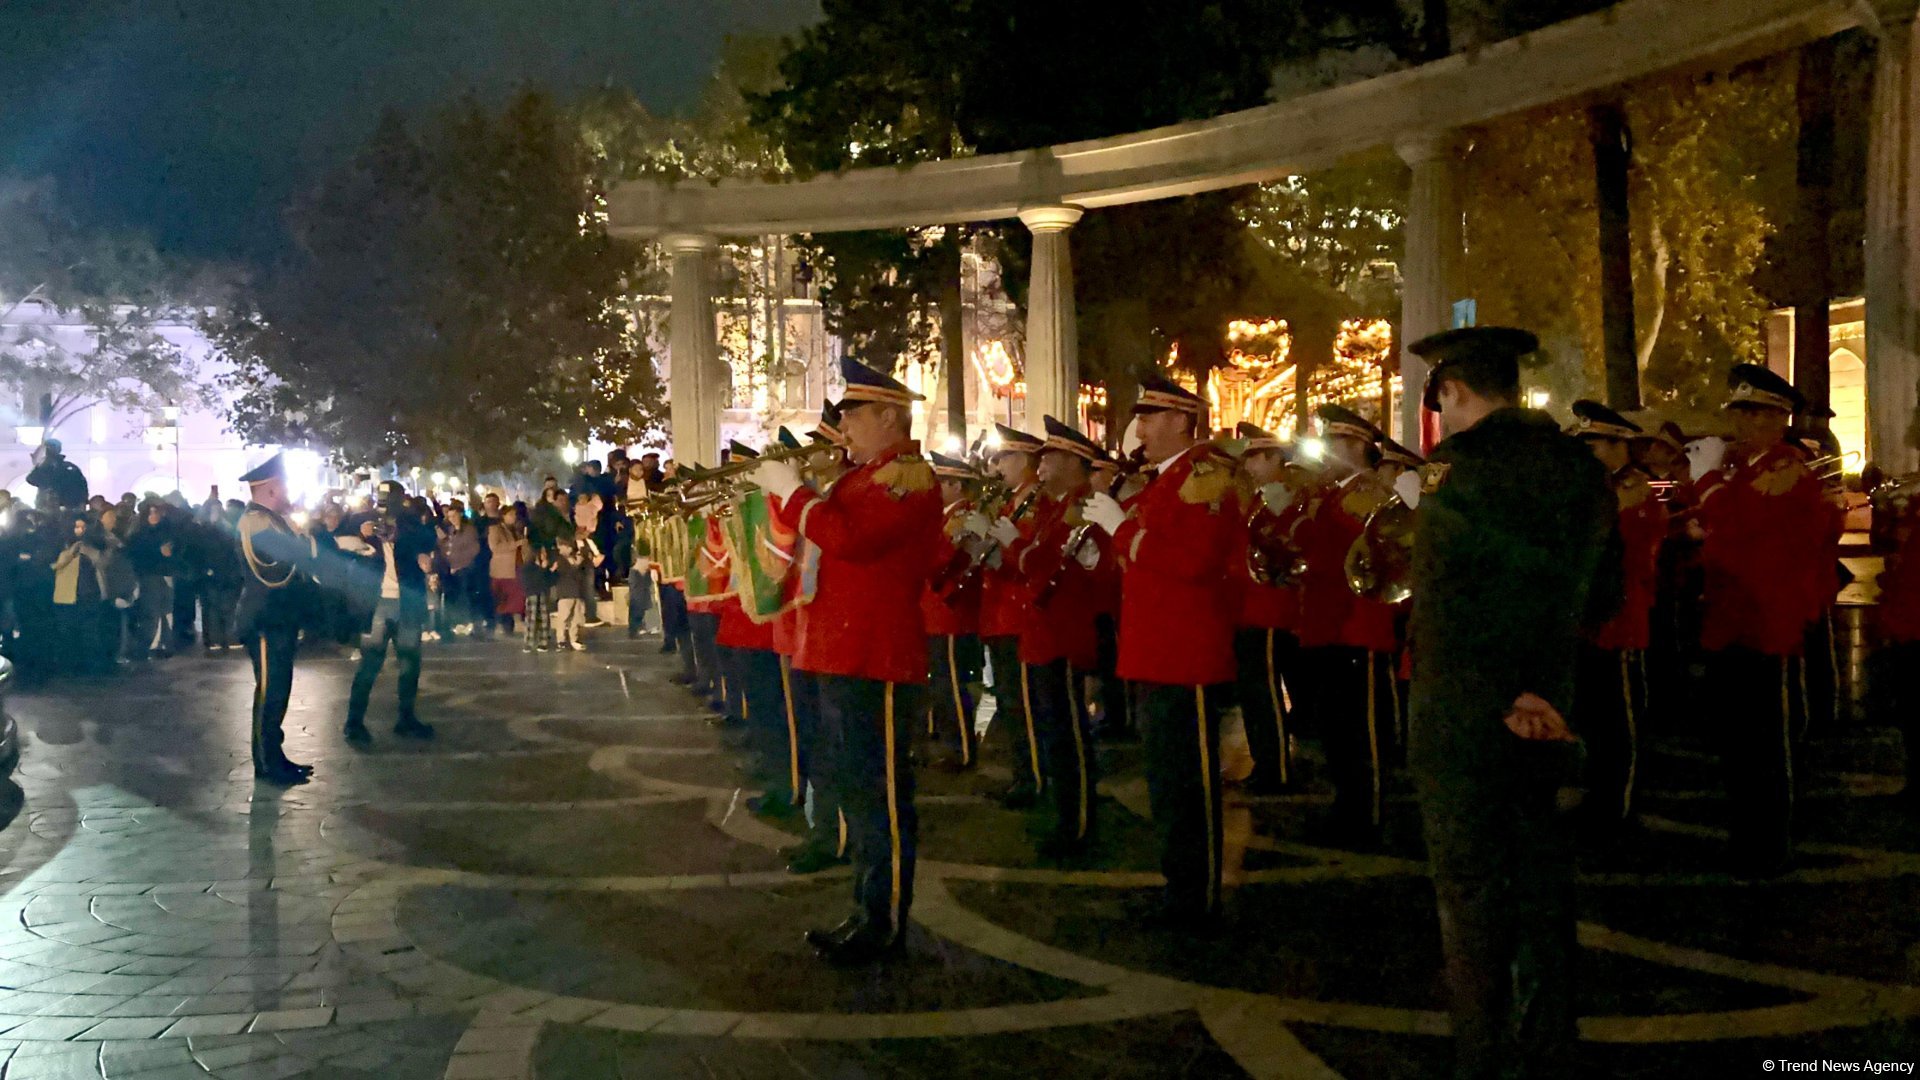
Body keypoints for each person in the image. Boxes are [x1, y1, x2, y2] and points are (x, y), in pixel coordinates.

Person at [1402, 327, 1616, 1080]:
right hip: (1549, 712)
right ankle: (1552, 1043)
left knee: (1471, 899)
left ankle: (1483, 1057)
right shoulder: (1578, 467)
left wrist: (1498, 691)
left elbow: (1445, 601)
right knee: (1544, 887)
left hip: (1466, 714)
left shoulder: (1455, 469)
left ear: (1452, 390)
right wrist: (1542, 687)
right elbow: (1599, 592)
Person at [753, 357, 941, 965]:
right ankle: (868, 909)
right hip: (846, 652)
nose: (846, 426)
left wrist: (798, 495)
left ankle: (883, 923)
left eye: (854, 414)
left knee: (881, 799)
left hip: (877, 655)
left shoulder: (906, 476)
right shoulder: (865, 476)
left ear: (889, 415)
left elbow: (852, 541)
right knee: (861, 796)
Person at [1080, 372, 1246, 929]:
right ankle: (1179, 888)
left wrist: (1122, 529)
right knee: (1168, 785)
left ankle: (1197, 899)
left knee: (1191, 787)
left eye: (1148, 418)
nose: (1139, 430)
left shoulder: (1204, 475)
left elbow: (1193, 562)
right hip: (1158, 650)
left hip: (1187, 653)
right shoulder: (1167, 479)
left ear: (1179, 419)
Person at [1686, 363, 1830, 877]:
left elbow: (1736, 521)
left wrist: (1705, 480)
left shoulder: (1785, 468)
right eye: (1739, 414)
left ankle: (1771, 845)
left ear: (1779, 419)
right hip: (1733, 623)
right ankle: (1747, 837)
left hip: (1769, 627)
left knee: (1769, 748)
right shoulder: (1747, 470)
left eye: (1752, 414)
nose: (1740, 425)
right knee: (1738, 745)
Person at [1004, 416, 1116, 858]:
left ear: (1074, 461)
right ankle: (1064, 816)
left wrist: (1019, 549)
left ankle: (1078, 824)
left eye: (1051, 454)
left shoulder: (1082, 507)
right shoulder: (1053, 505)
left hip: (1066, 635)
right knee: (1055, 735)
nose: (1042, 461)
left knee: (1069, 738)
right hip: (1042, 632)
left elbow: (1071, 572)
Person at [1293, 404, 1401, 845]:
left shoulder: (1367, 494)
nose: (1328, 452)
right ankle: (1346, 807)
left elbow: (1365, 554)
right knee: (1338, 730)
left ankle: (1367, 815)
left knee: (1362, 734)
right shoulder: (1337, 492)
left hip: (1358, 626)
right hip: (1332, 626)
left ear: (1358, 445)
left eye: (1336, 443)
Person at [1566, 400, 1669, 841]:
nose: (1586, 451)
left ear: (1618, 446)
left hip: (1621, 617)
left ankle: (1619, 806)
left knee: (1619, 722)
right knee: (1593, 716)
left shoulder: (1634, 490)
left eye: (1594, 443)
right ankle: (1598, 797)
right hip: (1591, 619)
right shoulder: (1599, 489)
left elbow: (1629, 550)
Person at [234, 454, 322, 784]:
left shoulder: (272, 519)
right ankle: (267, 763)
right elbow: (274, 569)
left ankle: (276, 756)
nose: (287, 492)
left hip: (278, 618)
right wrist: (303, 545)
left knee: (279, 691)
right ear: (271, 488)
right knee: (269, 692)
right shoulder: (255, 522)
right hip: (265, 620)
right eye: (283, 485)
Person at [973, 424, 1047, 808]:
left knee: (1022, 706)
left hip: (1017, 612)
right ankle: (1023, 774)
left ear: (1025, 460)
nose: (998, 465)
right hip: (999, 611)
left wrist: (996, 542)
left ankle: (1031, 778)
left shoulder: (1034, 499)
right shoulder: (1011, 498)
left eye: (1005, 457)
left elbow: (1027, 558)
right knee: (1009, 701)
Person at [1233, 422, 1304, 793]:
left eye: (1255, 458)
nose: (1249, 466)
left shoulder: (1286, 496)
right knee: (1254, 691)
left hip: (1270, 606)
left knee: (1264, 692)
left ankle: (1275, 767)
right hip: (1251, 606)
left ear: (1275, 457)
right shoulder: (1263, 495)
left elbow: (1288, 547)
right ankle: (1266, 762)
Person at [343, 481, 437, 743]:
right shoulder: (362, 521)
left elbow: (428, 537)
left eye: (389, 498)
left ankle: (406, 718)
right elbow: (339, 542)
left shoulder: (409, 522)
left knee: (409, 663)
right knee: (370, 663)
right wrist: (362, 535)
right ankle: (354, 722)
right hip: (378, 602)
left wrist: (400, 535)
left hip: (406, 600)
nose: (384, 503)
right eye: (381, 498)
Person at [551, 535, 592, 651]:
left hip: (576, 592)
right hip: (565, 593)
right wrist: (576, 565)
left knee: (575, 618)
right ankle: (561, 640)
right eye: (566, 547)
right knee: (563, 618)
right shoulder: (560, 560)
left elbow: (580, 576)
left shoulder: (574, 559)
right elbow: (567, 573)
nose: (568, 549)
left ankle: (574, 639)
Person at [26, 439, 87, 512]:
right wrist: (40, 465)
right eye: (47, 448)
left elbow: (81, 488)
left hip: (65, 508)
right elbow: (31, 479)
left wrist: (80, 504)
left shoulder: (69, 468)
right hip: (44, 508)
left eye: (51, 447)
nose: (49, 451)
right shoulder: (44, 467)